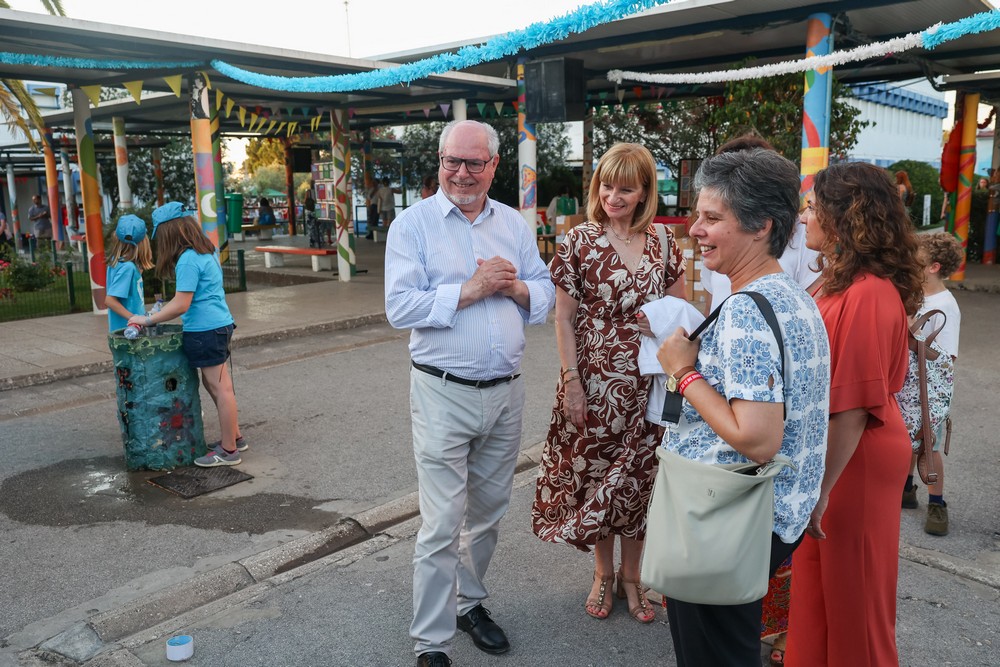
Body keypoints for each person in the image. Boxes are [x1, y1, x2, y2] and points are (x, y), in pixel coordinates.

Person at [384, 120, 555, 667]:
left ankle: (470, 602)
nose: (460, 173)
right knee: (440, 522)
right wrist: (471, 289)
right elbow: (400, 307)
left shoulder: (513, 223)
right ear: (439, 162)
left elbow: (546, 292)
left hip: (505, 391)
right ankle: (431, 640)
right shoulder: (413, 226)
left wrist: (515, 287)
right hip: (442, 391)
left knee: (487, 512)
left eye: (473, 163)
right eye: (451, 162)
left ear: (493, 167)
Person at [655, 148, 830, 666]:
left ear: (761, 227)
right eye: (697, 215)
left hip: (728, 518)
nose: (694, 230)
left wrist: (682, 373)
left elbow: (757, 437)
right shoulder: (795, 297)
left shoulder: (746, 314)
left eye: (712, 219)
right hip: (774, 514)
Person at [531, 143, 686, 625]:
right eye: (606, 185)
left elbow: (681, 317)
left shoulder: (664, 243)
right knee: (598, 478)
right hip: (594, 383)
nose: (613, 196)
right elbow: (563, 319)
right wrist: (571, 381)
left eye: (626, 188)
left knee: (641, 482)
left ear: (644, 193)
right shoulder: (578, 241)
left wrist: (660, 325)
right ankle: (602, 574)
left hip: (649, 384)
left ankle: (633, 577)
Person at [785, 162, 924, 667]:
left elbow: (854, 408)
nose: (804, 217)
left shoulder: (867, 292)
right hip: (833, 453)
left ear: (844, 217)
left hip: (853, 459)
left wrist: (819, 491)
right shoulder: (840, 279)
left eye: (813, 206)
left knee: (856, 606)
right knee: (818, 601)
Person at [128, 202, 246, 466]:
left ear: (171, 232)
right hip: (217, 325)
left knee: (220, 387)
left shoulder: (187, 260)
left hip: (206, 330)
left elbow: (182, 304)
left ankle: (228, 451)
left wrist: (147, 319)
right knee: (216, 385)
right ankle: (234, 437)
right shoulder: (205, 252)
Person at [700, 135, 821, 312]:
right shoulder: (715, 244)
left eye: (712, 217)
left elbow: (810, 307)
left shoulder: (805, 236)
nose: (696, 230)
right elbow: (711, 308)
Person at [901, 232, 963, 536]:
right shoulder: (918, 295)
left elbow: (946, 357)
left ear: (933, 267)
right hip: (910, 384)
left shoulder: (945, 306)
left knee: (928, 443)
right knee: (908, 439)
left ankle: (937, 502)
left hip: (930, 390)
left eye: (918, 258)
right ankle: (907, 488)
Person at [105, 214, 153, 333]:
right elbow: (110, 300)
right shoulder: (128, 268)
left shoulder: (119, 264)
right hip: (129, 332)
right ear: (143, 241)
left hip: (127, 331)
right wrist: (135, 319)